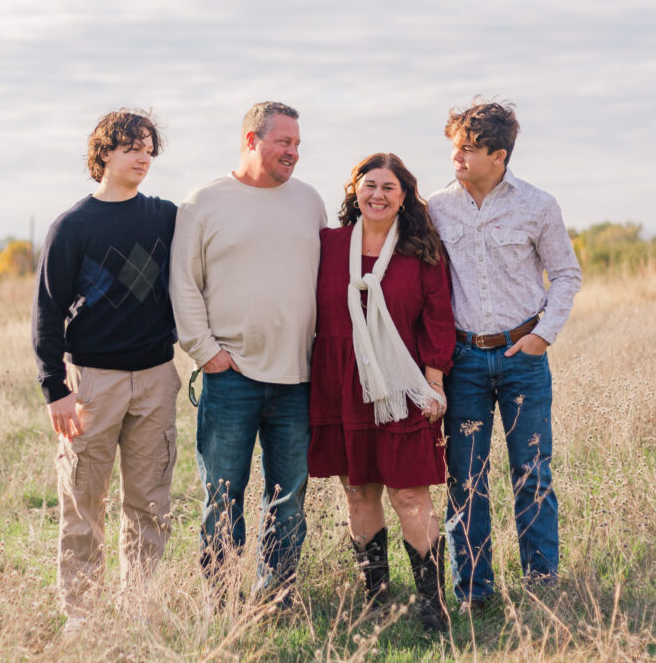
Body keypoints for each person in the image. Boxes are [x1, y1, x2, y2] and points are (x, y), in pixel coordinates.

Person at [427, 99, 582, 613]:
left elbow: (566, 274)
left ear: (499, 155)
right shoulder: (435, 209)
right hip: (464, 361)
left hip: (523, 358)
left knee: (532, 472)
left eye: (468, 149)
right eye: (454, 147)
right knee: (464, 480)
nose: (457, 157)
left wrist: (543, 336)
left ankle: (542, 585)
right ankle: (474, 592)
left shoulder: (538, 205)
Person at [169, 101, 327, 602]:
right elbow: (183, 286)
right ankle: (221, 599)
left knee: (289, 500)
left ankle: (275, 596)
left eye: (298, 144)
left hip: (298, 377)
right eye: (284, 142)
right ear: (251, 140)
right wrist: (207, 353)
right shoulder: (204, 203)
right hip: (230, 376)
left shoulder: (309, 201)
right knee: (222, 497)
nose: (293, 153)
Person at [31, 108, 181, 634]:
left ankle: (137, 608)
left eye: (148, 148)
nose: (143, 156)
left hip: (158, 377)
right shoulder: (72, 227)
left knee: (150, 503)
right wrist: (55, 389)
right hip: (93, 382)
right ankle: (82, 614)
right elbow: (46, 313)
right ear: (104, 154)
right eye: (131, 147)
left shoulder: (165, 217)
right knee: (83, 502)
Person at [308, 153, 456, 632]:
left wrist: (434, 383)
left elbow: (438, 318)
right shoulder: (328, 245)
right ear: (354, 191)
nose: (377, 194)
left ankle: (433, 604)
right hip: (340, 381)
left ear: (404, 196)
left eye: (389, 187)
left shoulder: (421, 250)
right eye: (369, 185)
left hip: (402, 386)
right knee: (357, 492)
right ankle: (377, 599)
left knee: (410, 495)